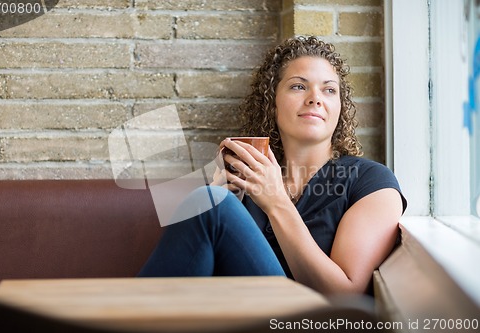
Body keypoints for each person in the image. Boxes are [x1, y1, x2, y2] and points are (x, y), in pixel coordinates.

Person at [138, 36, 407, 295]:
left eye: (329, 89)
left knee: (212, 204)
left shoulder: (371, 181)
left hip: (304, 322)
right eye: (299, 86)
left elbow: (345, 296)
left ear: (340, 106)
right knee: (212, 202)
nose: (316, 98)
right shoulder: (248, 174)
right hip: (233, 314)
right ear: (272, 103)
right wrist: (221, 193)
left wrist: (276, 201)